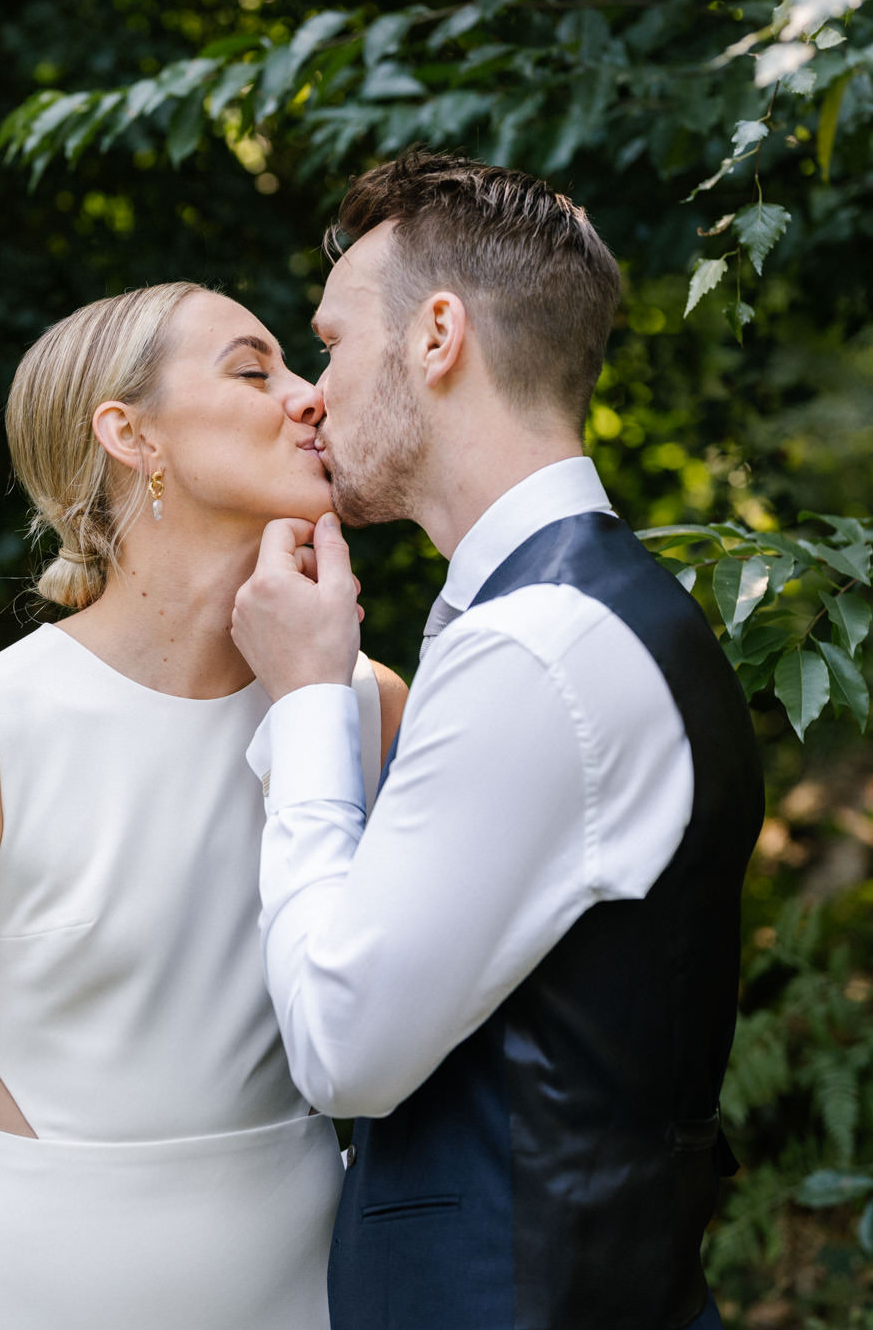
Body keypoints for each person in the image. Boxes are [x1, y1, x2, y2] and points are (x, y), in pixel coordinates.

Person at [230, 152, 764, 1330]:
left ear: (435, 337)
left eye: (329, 342)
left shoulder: (541, 651)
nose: (311, 392)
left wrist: (309, 698)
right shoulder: (565, 616)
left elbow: (340, 1045)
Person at [0, 281, 407, 1330]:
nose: (307, 396)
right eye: (253, 370)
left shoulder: (363, 711)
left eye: (296, 365)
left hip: (311, 1291)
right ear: (128, 434)